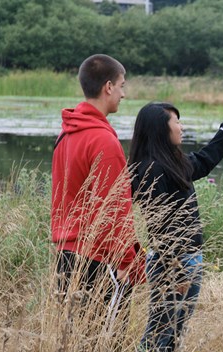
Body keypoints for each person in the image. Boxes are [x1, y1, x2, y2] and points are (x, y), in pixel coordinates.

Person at [129, 102, 223, 352]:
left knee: (172, 333)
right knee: (159, 332)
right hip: (174, 263)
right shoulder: (151, 169)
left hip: (186, 261)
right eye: (176, 122)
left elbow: (205, 160)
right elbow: (162, 226)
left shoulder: (172, 162)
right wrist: (177, 269)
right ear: (161, 129)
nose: (181, 127)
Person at [51, 54, 143, 335]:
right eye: (122, 85)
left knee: (72, 344)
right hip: (97, 261)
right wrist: (129, 262)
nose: (124, 94)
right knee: (105, 346)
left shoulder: (66, 135)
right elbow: (115, 210)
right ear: (108, 87)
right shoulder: (104, 140)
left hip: (65, 256)